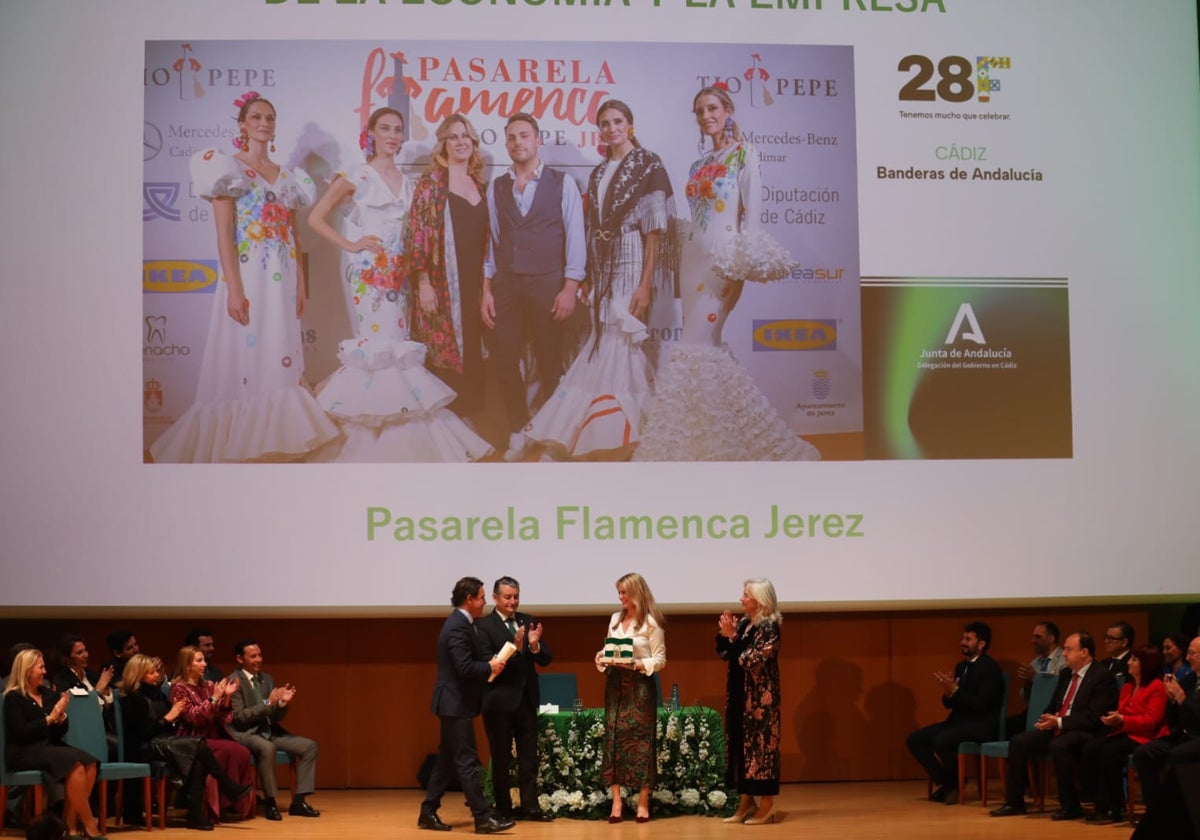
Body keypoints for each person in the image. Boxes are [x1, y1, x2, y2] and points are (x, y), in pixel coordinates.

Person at [634, 84, 820, 462]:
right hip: (692, 260)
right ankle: (708, 437)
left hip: (723, 262)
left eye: (713, 108)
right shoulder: (696, 165)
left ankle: (705, 445)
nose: (707, 116)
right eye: (700, 111)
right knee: (705, 348)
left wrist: (740, 269)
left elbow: (752, 216)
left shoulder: (744, 154)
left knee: (696, 347)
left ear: (729, 110)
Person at [150, 92, 338, 463]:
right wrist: (234, 288)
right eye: (256, 117)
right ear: (243, 125)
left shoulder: (287, 177)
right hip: (248, 278)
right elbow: (223, 234)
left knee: (281, 352)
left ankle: (281, 436)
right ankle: (242, 440)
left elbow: (293, 235)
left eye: (269, 118)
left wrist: (300, 281)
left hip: (282, 280)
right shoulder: (227, 169)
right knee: (247, 353)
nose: (264, 123)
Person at [307, 107, 490, 462]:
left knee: (401, 353)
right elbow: (316, 217)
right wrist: (352, 244)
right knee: (379, 353)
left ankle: (400, 436)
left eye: (397, 130)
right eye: (385, 129)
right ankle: (367, 438)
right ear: (371, 133)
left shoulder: (409, 181)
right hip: (371, 280)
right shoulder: (356, 174)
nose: (392, 136)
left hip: (402, 278)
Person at [507, 100, 678, 461]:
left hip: (633, 259)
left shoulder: (648, 164)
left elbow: (656, 230)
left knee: (621, 341)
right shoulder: (599, 172)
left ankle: (622, 432)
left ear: (629, 125)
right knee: (606, 342)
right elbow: (592, 230)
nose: (611, 128)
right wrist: (586, 277)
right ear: (599, 130)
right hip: (603, 267)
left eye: (618, 121)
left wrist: (646, 282)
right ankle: (596, 430)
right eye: (605, 123)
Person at [481, 112, 587, 441]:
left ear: (537, 140)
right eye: (511, 137)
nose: (518, 142)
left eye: (524, 136)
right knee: (504, 358)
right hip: (507, 285)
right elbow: (492, 241)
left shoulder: (562, 183)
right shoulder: (497, 186)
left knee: (549, 359)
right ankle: (518, 428)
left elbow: (576, 238)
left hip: (547, 284)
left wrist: (570, 287)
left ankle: (551, 431)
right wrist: (486, 290)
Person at [408, 115, 491, 422]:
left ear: (474, 142)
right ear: (443, 143)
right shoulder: (431, 183)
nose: (460, 142)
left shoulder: (480, 185)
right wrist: (423, 282)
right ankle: (447, 429)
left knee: (473, 348)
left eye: (466, 136)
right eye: (453, 136)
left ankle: (471, 424)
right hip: (442, 283)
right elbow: (417, 235)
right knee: (445, 353)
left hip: (476, 284)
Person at [418, 577, 514, 834]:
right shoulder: (458, 626)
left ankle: (427, 813)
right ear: (469, 599)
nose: (485, 601)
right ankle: (482, 818)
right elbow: (463, 666)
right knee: (468, 761)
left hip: (456, 703)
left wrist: (492, 661)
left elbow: (471, 660)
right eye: (482, 597)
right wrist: (489, 667)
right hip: (454, 703)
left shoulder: (466, 623)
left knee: (448, 759)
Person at [990, 631, 1119, 820]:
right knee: (1018, 742)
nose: (1064, 653)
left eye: (1068, 649)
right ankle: (1014, 803)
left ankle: (1071, 805)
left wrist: (1059, 721)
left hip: (1086, 732)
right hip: (1061, 727)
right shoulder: (1066, 673)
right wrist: (1047, 718)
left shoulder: (1101, 676)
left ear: (1084, 652)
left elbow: (1093, 716)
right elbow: (1055, 704)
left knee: (1059, 746)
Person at [119, 654, 253, 831]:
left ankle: (195, 815)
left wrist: (172, 719)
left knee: (196, 758)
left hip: (164, 742)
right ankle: (227, 785)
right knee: (198, 744)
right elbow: (142, 734)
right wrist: (168, 718)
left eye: (155, 672)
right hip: (144, 747)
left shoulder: (158, 695)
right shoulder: (132, 699)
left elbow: (172, 725)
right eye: (151, 672)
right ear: (137, 675)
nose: (157, 675)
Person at [476, 576, 553, 822]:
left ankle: (530, 807)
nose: (513, 602)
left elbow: (546, 658)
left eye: (516, 596)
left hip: (527, 700)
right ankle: (503, 809)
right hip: (498, 702)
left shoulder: (528, 620)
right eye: (507, 597)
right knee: (501, 758)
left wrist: (533, 646)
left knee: (529, 757)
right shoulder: (483, 626)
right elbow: (487, 661)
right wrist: (515, 647)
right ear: (496, 598)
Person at [2, 649, 100, 838]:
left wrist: (61, 719)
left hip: (47, 747)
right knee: (74, 762)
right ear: (27, 670)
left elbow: (60, 730)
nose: (45, 672)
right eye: (40, 667)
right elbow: (20, 732)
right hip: (23, 752)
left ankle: (71, 822)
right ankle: (89, 824)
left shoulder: (47, 694)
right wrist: (50, 718)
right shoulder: (13, 698)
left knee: (90, 761)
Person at [905, 621, 1005, 806]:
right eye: (963, 638)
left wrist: (956, 690)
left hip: (980, 725)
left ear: (981, 644)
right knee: (915, 739)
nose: (962, 642)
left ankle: (952, 786)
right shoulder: (961, 666)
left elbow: (982, 704)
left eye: (968, 639)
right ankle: (949, 782)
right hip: (958, 722)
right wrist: (948, 692)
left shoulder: (990, 668)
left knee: (941, 739)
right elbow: (949, 704)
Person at [594, 572, 666, 823]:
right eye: (619, 592)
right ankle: (616, 801)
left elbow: (660, 660)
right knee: (613, 739)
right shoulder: (615, 618)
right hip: (615, 685)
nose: (620, 597)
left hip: (640, 688)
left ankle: (643, 802)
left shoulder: (651, 622)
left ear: (636, 592)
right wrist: (601, 658)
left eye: (624, 592)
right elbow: (609, 649)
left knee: (641, 742)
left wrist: (636, 664)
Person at [227, 639, 320, 820]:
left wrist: (282, 703)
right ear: (240, 659)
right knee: (267, 748)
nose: (258, 659)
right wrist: (268, 703)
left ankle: (298, 801)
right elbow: (240, 718)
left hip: (269, 731)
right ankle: (270, 802)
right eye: (253, 656)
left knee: (309, 746)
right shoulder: (234, 681)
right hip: (246, 733)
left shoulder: (267, 679)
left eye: (260, 655)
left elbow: (275, 716)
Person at [717, 578, 783, 825]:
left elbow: (751, 659)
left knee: (761, 749)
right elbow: (727, 654)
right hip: (738, 696)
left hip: (759, 702)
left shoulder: (770, 627)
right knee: (739, 747)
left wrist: (733, 637)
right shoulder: (745, 623)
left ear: (760, 600)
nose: (741, 599)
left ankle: (766, 802)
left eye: (746, 595)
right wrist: (727, 634)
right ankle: (746, 800)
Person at [1081, 645, 1168, 823]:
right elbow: (1122, 714)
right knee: (1092, 747)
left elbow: (1151, 722)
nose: (1129, 662)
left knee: (1109, 751)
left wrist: (1122, 720)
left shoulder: (1157, 687)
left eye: (1134, 660)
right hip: (1126, 732)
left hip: (1146, 736)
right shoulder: (1128, 687)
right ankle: (1098, 802)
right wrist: (1114, 720)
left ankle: (1111, 808)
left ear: (1147, 664)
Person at [168, 647, 254, 822]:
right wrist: (214, 698)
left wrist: (227, 698)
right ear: (187, 665)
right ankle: (218, 806)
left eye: (204, 660)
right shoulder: (179, 688)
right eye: (198, 660)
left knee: (242, 752)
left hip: (213, 734)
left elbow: (226, 718)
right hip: (193, 738)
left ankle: (232, 804)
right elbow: (194, 718)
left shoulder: (208, 685)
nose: (204, 664)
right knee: (225, 751)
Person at [1132, 635, 1200, 814]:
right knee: (1143, 753)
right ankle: (1155, 811)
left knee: (1176, 755)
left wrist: (1183, 700)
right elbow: (1173, 717)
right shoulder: (1189, 680)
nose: (1187, 658)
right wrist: (1170, 700)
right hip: (1182, 735)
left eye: (1192, 653)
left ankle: (1178, 812)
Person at [1008, 620, 1066, 735]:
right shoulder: (1035, 663)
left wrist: (1036, 679)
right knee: (1008, 726)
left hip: (1053, 713)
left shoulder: (1064, 661)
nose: (1033, 641)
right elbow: (1026, 700)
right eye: (1033, 637)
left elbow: (1061, 692)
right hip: (1034, 711)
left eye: (1038, 637)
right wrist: (1027, 684)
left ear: (1051, 639)